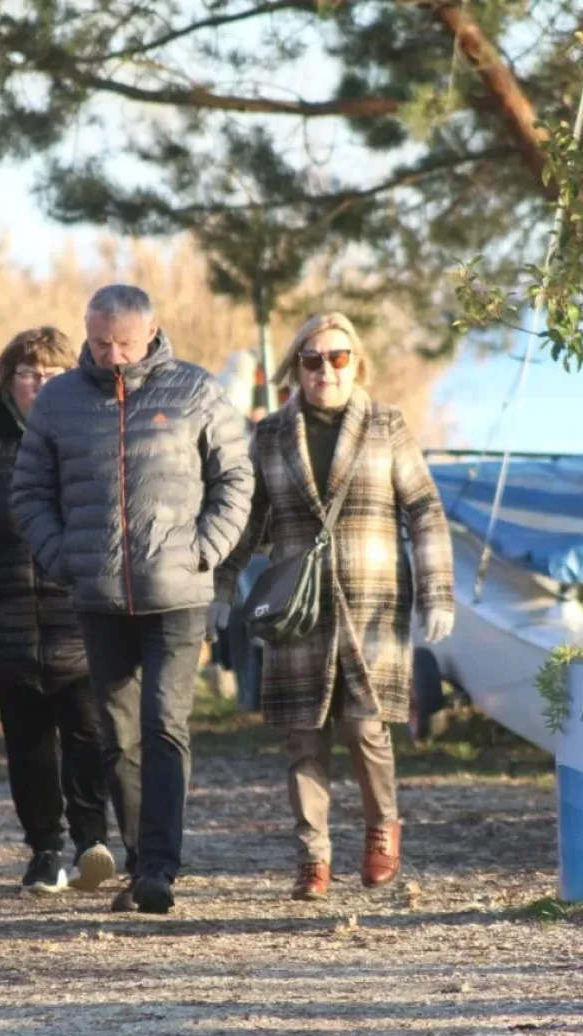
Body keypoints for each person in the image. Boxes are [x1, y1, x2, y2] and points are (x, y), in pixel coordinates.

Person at [11, 285, 254, 914]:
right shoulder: (60, 401)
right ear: (86, 334)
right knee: (117, 736)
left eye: (123, 342)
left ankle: (160, 869)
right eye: (99, 343)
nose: (112, 355)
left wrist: (207, 548)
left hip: (177, 592)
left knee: (164, 724)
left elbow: (236, 477)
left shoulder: (196, 390)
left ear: (150, 333)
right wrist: (62, 557)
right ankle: (141, 859)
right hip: (97, 594)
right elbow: (29, 491)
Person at [209, 312, 455, 901]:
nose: (326, 370)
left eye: (338, 358)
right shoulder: (269, 435)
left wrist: (436, 591)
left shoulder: (387, 425)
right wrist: (220, 591)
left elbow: (424, 509)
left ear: (357, 363)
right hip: (297, 608)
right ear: (296, 367)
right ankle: (313, 856)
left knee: (365, 727)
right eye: (313, 359)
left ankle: (380, 829)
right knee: (303, 735)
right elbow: (246, 524)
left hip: (372, 602)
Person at [0, 327, 116, 895]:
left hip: (78, 613)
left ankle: (91, 842)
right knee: (28, 745)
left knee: (87, 736)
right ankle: (45, 851)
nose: (39, 383)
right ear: (7, 381)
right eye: (28, 373)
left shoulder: (91, 435)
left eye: (53, 374)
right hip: (7, 616)